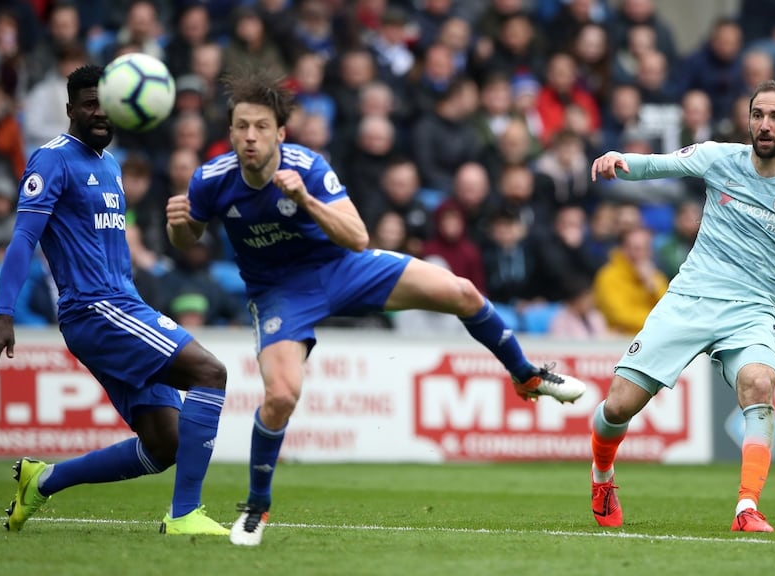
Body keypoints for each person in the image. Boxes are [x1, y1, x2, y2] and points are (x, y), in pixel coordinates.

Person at [165, 66, 587, 547]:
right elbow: (187, 239)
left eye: (261, 127)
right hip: (280, 292)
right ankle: (257, 505)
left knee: (463, 292)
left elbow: (359, 237)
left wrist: (305, 200)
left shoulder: (307, 168)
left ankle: (526, 374)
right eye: (241, 126)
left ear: (280, 133)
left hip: (343, 267)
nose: (250, 136)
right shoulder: (210, 180)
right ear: (231, 131)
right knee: (281, 397)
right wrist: (179, 224)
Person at [588, 80, 775, 532]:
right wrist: (622, 162)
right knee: (618, 407)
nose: (764, 125)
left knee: (759, 385)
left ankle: (746, 507)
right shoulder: (721, 158)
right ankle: (602, 476)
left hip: (752, 310)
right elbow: (662, 165)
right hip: (690, 298)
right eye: (758, 115)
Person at [0, 64, 229, 537]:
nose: (99, 113)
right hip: (96, 308)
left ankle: (43, 480)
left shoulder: (111, 164)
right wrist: (4, 312)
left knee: (163, 445)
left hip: (120, 306)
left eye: (105, 104)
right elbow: (23, 239)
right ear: (70, 109)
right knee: (210, 372)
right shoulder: (52, 160)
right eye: (89, 104)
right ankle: (184, 515)